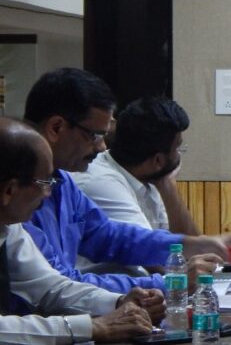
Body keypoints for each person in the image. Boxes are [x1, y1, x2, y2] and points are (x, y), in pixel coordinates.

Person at [19, 68, 231, 302]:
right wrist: (171, 283)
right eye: (94, 135)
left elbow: (109, 236)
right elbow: (58, 285)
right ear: (56, 127)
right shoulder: (20, 190)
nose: (102, 147)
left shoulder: (63, 181)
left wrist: (190, 244)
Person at [0, 117, 156, 343]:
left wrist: (118, 302)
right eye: (45, 183)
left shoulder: (9, 225)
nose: (48, 195)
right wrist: (90, 327)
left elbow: (50, 287)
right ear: (9, 190)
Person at [72, 97, 199, 235]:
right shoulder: (101, 182)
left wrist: (168, 186)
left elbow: (187, 244)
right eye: (178, 148)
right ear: (158, 161)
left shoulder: (151, 178)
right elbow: (149, 246)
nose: (180, 154)